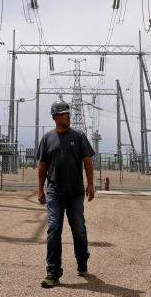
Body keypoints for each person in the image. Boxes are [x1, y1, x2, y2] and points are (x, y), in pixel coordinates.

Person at [37, 100, 95, 288]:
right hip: (54, 192)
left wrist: (91, 185)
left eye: (69, 114)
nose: (68, 116)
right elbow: (42, 166)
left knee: (78, 229)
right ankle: (53, 272)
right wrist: (40, 189)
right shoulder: (47, 138)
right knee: (54, 229)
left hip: (76, 192)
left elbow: (87, 161)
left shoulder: (78, 136)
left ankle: (82, 261)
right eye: (64, 114)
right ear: (55, 117)